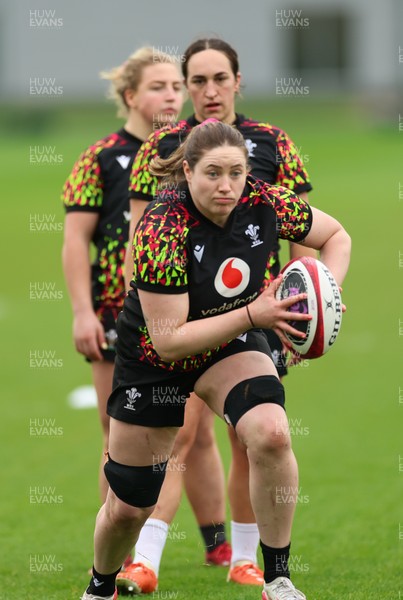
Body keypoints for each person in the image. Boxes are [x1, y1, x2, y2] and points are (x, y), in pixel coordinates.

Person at [80, 119, 351, 600]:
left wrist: (323, 292)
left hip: (230, 340)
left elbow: (336, 237)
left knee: (270, 433)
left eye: (236, 172)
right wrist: (255, 312)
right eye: (212, 173)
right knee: (129, 506)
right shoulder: (161, 225)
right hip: (155, 356)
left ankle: (277, 578)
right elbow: (169, 341)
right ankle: (101, 586)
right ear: (186, 171)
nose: (226, 186)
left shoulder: (264, 200)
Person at [120, 37, 316, 593]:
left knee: (256, 436)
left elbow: (306, 237)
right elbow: (140, 235)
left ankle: (247, 560)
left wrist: (304, 309)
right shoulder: (163, 147)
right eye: (196, 81)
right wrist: (138, 310)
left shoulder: (275, 143)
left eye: (219, 79)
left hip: (261, 314)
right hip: (178, 313)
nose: (208, 91)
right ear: (186, 87)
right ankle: (146, 558)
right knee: (178, 436)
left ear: (237, 81)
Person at [62, 48, 183, 506]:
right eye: (157, 87)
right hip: (116, 311)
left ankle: (213, 543)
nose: (171, 96)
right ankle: (115, 550)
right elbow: (75, 241)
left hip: (181, 312)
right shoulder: (101, 157)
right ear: (130, 95)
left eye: (176, 86)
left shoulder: (193, 152)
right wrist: (82, 314)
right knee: (117, 436)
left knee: (184, 436)